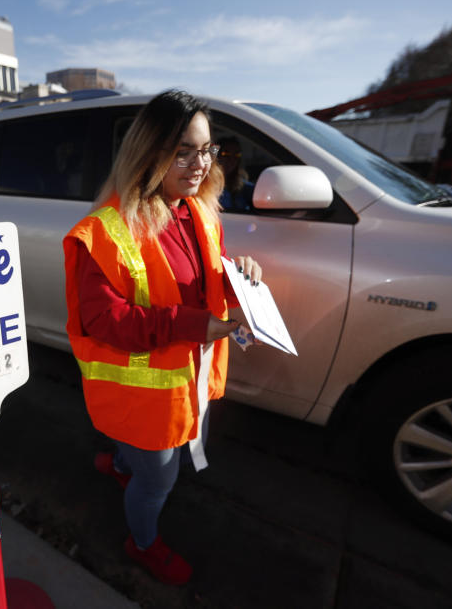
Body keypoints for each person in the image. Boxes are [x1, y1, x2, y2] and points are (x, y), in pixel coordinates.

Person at [63, 90, 261, 585]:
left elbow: (196, 275)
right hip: (147, 393)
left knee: (145, 465)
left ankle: (118, 461)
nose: (200, 164)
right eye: (184, 151)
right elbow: (105, 320)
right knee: (158, 482)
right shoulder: (107, 229)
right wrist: (191, 325)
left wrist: (238, 274)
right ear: (149, 151)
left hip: (183, 377)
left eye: (208, 149)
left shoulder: (198, 210)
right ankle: (142, 542)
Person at [217, 136, 254, 212]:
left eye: (237, 155)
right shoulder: (205, 186)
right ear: (216, 156)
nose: (232, 159)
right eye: (226, 154)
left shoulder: (243, 187)